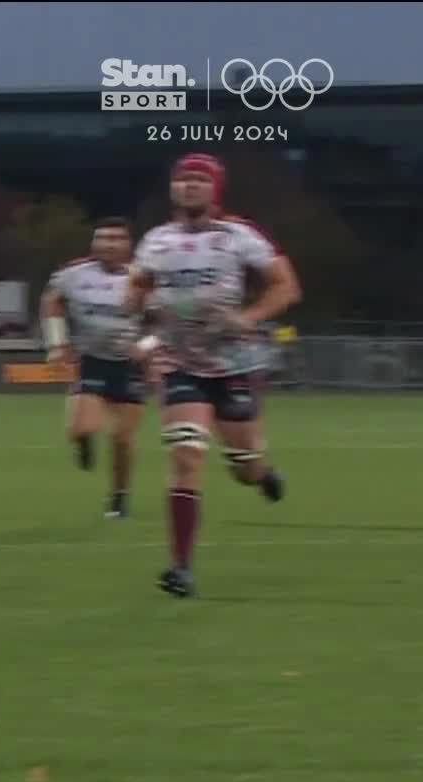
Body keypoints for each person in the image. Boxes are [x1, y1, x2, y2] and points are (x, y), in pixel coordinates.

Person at [126, 153, 302, 599]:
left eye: (199, 180)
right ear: (172, 189)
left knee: (244, 467)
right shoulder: (156, 241)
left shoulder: (238, 235)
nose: (189, 186)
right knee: (187, 455)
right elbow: (136, 288)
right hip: (180, 362)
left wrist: (250, 316)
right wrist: (143, 314)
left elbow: (286, 285)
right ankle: (181, 568)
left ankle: (262, 474)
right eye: (182, 179)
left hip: (234, 363)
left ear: (215, 189)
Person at [41, 217, 145, 518]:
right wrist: (57, 343)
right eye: (102, 238)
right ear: (94, 243)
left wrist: (147, 346)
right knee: (81, 429)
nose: (108, 244)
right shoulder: (74, 274)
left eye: (116, 239)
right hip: (91, 361)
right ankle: (84, 444)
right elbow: (51, 301)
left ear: (127, 245)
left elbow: (165, 321)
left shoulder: (143, 278)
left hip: (128, 365)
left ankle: (119, 496)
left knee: (122, 438)